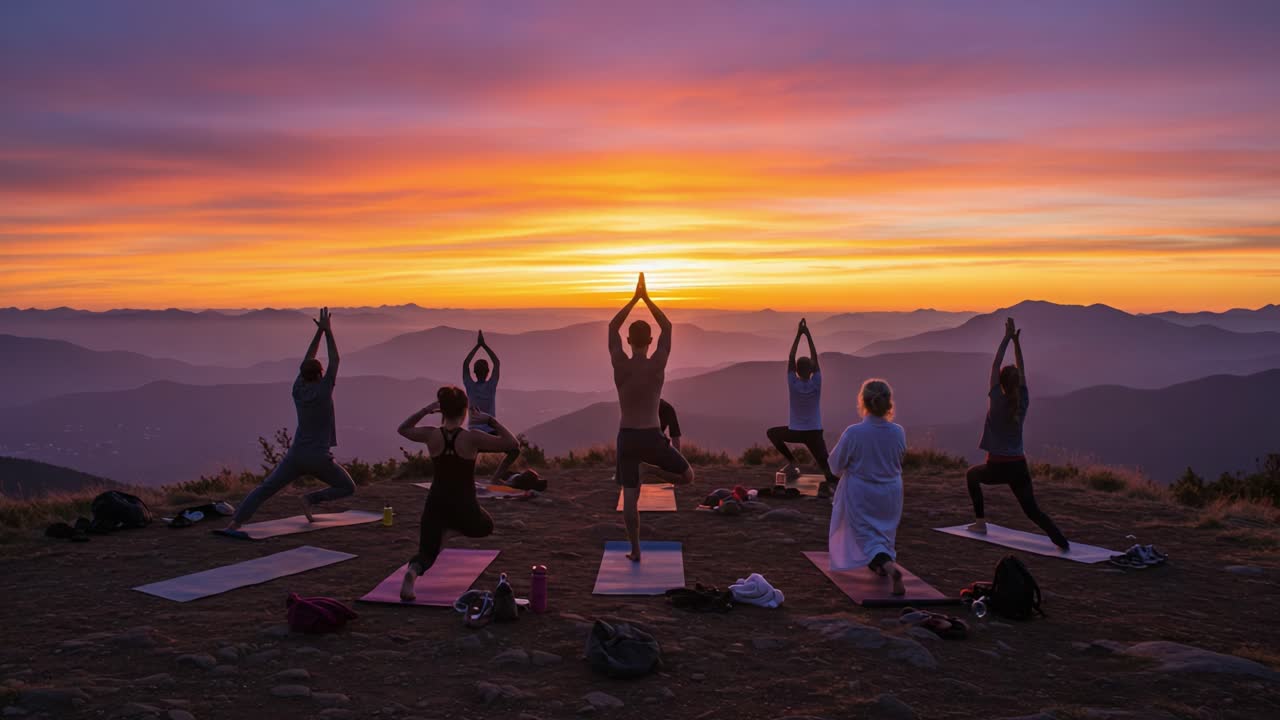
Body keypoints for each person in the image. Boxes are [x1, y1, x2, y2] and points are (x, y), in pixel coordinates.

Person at [222, 308, 355, 534]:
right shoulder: (323, 391)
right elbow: (335, 359)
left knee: (266, 488)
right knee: (347, 487)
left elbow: (308, 360)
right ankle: (311, 499)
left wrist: (319, 333)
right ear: (321, 374)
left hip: (296, 455)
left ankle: (235, 523)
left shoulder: (298, 388)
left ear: (302, 375)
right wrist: (328, 332)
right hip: (319, 458)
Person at [396, 386, 519, 601]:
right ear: (465, 411)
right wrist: (490, 420)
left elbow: (403, 429)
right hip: (464, 505)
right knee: (486, 525)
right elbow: (512, 443)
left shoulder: (431, 435)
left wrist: (427, 410)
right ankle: (452, 531)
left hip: (435, 503)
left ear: (442, 411)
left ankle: (412, 573)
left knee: (427, 553)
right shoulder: (472, 438)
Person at [610, 273, 694, 562]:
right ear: (649, 341)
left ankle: (635, 550)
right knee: (687, 476)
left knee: (630, 499)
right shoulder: (657, 364)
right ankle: (651, 471)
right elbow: (667, 326)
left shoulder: (619, 363)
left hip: (627, 437)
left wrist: (634, 300)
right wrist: (647, 299)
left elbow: (611, 327)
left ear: (629, 340)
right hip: (652, 437)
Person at [966, 318, 1070, 551]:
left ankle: (980, 522)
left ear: (1000, 382)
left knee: (972, 476)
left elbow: (995, 364)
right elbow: (1022, 369)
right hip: (1019, 468)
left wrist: (1007, 338)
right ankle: (1060, 540)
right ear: (1018, 383)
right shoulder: (1023, 399)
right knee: (1032, 510)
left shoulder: (996, 398)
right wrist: (1017, 343)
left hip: (996, 467)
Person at [828, 379, 908, 595]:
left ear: (863, 402)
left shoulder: (854, 432)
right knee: (883, 534)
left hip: (862, 492)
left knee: (865, 535)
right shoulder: (898, 431)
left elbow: (835, 465)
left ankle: (890, 568)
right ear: (888, 403)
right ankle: (881, 564)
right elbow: (900, 458)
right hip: (892, 491)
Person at [766, 318, 839, 495]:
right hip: (814, 432)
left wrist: (799, 334)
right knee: (827, 470)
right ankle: (835, 486)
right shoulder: (817, 383)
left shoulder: (793, 383)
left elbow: (791, 357)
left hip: (795, 431)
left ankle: (792, 461)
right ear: (812, 369)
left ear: (796, 371)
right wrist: (808, 334)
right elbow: (814, 356)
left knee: (772, 433)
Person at [463, 330, 520, 481]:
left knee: (470, 453)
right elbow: (497, 362)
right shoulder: (491, 385)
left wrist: (477, 347)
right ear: (488, 372)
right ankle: (496, 477)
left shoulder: (469, 386)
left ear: (474, 373)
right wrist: (484, 346)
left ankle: (467, 479)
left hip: (474, 435)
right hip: (491, 434)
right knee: (514, 450)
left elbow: (465, 364)